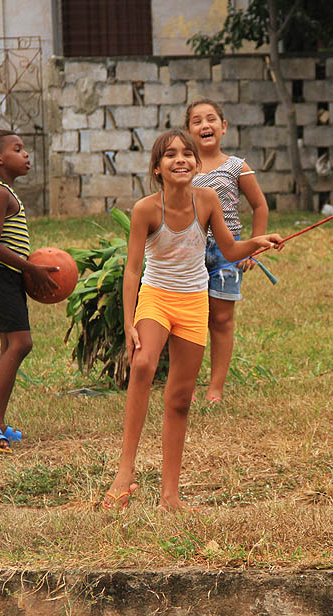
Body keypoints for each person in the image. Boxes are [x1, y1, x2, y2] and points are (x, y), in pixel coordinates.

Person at [103, 129, 283, 511]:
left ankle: (170, 496)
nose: (181, 159)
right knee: (143, 364)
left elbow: (230, 248)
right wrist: (129, 322)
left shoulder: (208, 199)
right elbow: (134, 269)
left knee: (180, 399)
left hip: (194, 302)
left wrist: (259, 242)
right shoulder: (145, 210)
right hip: (155, 297)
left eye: (187, 154)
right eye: (170, 155)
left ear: (196, 165)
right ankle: (125, 472)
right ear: (157, 167)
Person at [0, 130, 58, 453]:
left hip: (4, 276)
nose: (26, 154)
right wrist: (30, 268)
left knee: (12, 345)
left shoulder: (5, 193)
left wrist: (22, 273)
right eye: (17, 149)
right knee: (21, 343)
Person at [186, 99, 270, 404]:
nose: (204, 125)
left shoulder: (237, 166)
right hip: (189, 250)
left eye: (211, 119)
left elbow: (260, 206)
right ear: (188, 130)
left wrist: (254, 247)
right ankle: (188, 386)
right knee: (190, 319)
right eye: (197, 121)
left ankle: (215, 390)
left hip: (227, 249)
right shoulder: (183, 165)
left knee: (221, 319)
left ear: (223, 127)